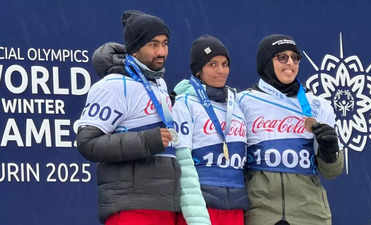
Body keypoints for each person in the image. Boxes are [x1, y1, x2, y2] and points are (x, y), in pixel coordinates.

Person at [76, 10, 180, 225]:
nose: (162, 51)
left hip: (168, 206)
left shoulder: (158, 84)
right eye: (153, 44)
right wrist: (146, 140)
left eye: (165, 43)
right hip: (132, 208)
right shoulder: (113, 85)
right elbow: (87, 143)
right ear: (135, 49)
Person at [238, 34, 344, 225]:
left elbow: (332, 172)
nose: (290, 63)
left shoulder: (318, 106)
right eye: (282, 57)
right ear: (266, 62)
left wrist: (330, 152)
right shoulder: (243, 102)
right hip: (261, 213)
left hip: (309, 214)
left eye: (295, 58)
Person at [171, 35, 248, 225]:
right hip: (200, 209)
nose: (221, 71)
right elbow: (183, 164)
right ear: (199, 70)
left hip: (234, 207)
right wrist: (196, 217)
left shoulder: (236, 105)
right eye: (212, 64)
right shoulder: (185, 104)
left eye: (224, 64)